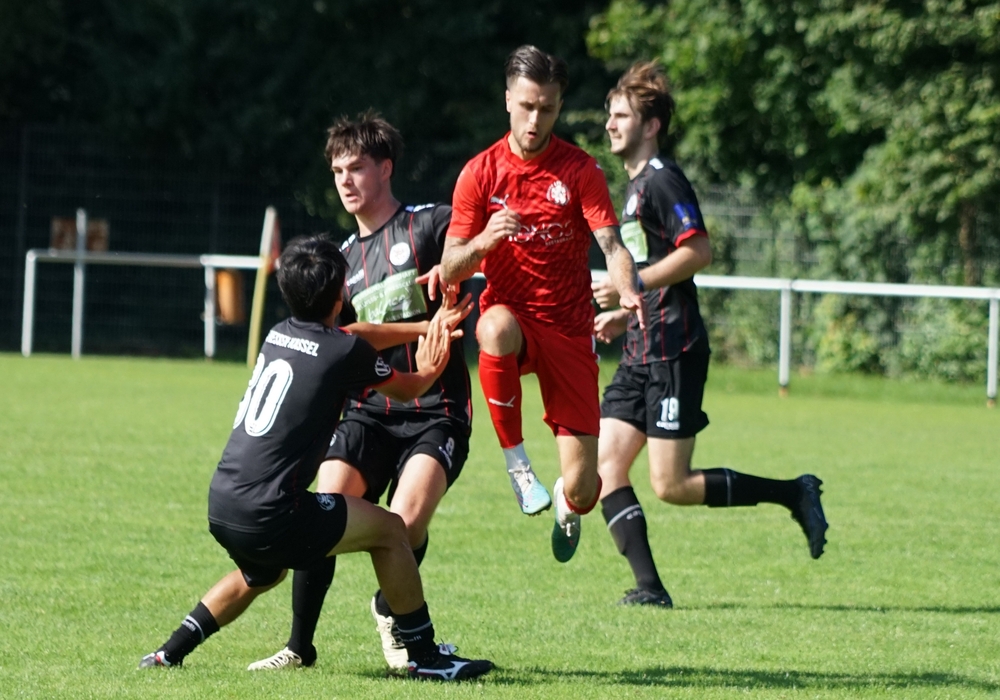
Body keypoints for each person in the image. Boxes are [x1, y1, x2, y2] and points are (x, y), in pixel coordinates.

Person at [138, 234, 492, 681]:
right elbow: (410, 387)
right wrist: (432, 362)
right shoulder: (341, 352)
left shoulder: (280, 334)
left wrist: (423, 327)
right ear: (342, 292)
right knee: (390, 531)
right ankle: (425, 656)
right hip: (273, 511)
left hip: (223, 504)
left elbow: (352, 336)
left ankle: (168, 653)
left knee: (261, 574)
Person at [591, 61, 829, 607]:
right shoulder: (632, 189)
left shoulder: (662, 179)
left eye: (621, 115)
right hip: (640, 348)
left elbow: (698, 251)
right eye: (610, 114)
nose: (610, 124)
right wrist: (626, 310)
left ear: (651, 125)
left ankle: (793, 493)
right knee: (605, 467)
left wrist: (633, 284)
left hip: (673, 348)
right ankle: (650, 590)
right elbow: (654, 270)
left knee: (670, 485)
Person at [247, 113, 476, 673]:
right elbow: (339, 340)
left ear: (386, 168)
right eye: (337, 171)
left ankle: (391, 609)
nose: (345, 180)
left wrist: (462, 288)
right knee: (319, 513)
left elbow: (476, 259)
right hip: (369, 412)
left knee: (403, 525)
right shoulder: (341, 261)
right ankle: (299, 646)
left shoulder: (429, 225)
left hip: (435, 411)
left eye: (356, 168)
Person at [440, 45, 645, 564]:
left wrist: (628, 289)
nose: (535, 120)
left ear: (559, 106)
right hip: (514, 318)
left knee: (584, 488)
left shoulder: (580, 170)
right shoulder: (480, 173)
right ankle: (518, 465)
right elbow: (450, 268)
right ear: (508, 100)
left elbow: (612, 246)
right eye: (527, 106)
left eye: (547, 108)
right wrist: (485, 241)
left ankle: (566, 503)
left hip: (570, 330)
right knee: (493, 328)